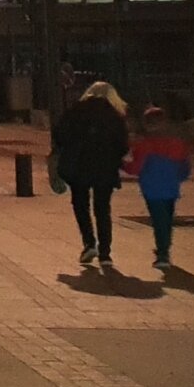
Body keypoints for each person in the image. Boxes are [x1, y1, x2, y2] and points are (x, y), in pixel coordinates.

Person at [51, 80, 131, 267]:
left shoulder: (76, 111)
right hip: (105, 167)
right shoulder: (114, 116)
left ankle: (89, 243)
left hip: (79, 165)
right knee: (103, 208)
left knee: (81, 204)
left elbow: (60, 135)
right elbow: (122, 144)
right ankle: (105, 253)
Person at [123, 107, 192, 269]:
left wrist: (121, 164)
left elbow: (135, 168)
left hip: (151, 187)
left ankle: (163, 253)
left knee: (159, 219)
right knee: (167, 218)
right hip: (171, 186)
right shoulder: (177, 143)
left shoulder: (144, 145)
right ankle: (164, 247)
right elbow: (184, 167)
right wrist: (177, 177)